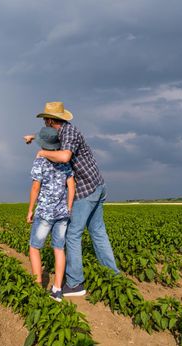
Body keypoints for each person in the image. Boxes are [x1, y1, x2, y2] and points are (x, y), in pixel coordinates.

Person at [24, 101, 119, 297]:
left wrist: (42, 152)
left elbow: (65, 156)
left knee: (72, 235)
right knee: (98, 231)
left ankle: (76, 283)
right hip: (97, 185)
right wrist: (33, 137)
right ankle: (113, 275)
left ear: (50, 119)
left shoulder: (68, 133)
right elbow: (48, 138)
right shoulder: (64, 130)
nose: (45, 123)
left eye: (46, 120)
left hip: (86, 190)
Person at [27, 126, 75, 302]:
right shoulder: (66, 162)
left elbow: (35, 187)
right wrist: (68, 207)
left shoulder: (40, 161)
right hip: (62, 213)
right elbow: (71, 185)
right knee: (59, 249)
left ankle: (38, 285)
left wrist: (30, 209)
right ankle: (57, 290)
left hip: (45, 213)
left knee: (35, 247)